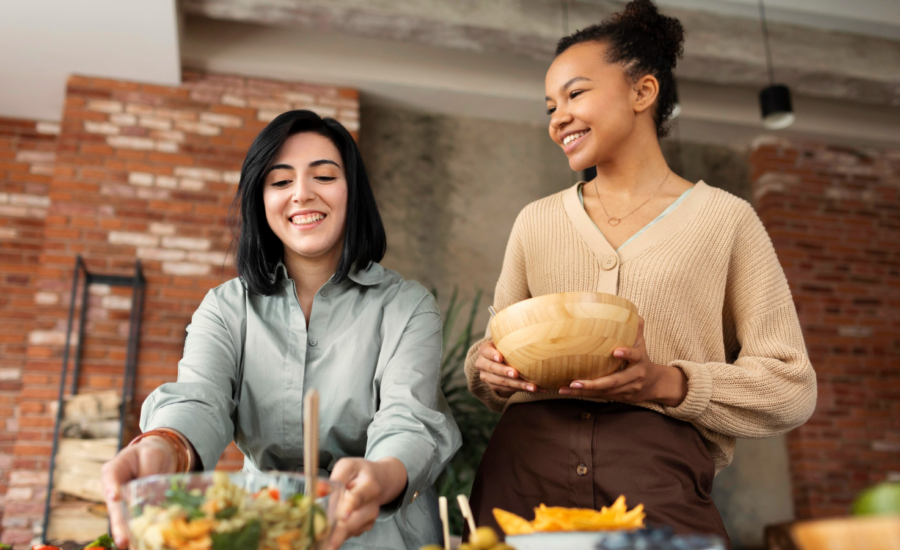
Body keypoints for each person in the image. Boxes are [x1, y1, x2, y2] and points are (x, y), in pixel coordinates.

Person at [465, 1, 817, 545]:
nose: (558, 117)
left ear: (642, 92)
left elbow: (789, 386)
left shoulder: (726, 220)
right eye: (549, 106)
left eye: (575, 93)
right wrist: (485, 366)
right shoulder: (536, 222)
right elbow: (493, 355)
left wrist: (668, 382)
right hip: (520, 475)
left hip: (657, 479)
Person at [101, 110, 461, 550]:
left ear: (353, 192)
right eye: (281, 181)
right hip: (262, 530)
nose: (302, 194)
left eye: (324, 177)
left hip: (381, 533)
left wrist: (381, 474)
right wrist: (165, 446)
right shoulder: (224, 308)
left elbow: (408, 419)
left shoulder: (408, 306)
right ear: (261, 199)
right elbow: (201, 398)